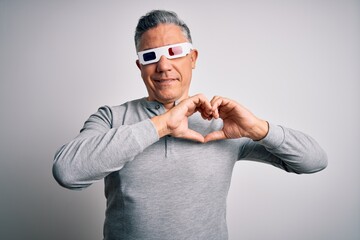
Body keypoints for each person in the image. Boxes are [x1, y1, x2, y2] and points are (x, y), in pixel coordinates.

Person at [53, 10, 327, 240]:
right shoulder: (111, 118)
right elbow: (67, 172)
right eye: (150, 56)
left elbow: (314, 161)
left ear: (193, 58)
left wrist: (258, 128)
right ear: (140, 67)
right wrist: (161, 125)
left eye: (174, 52)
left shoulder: (222, 123)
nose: (163, 66)